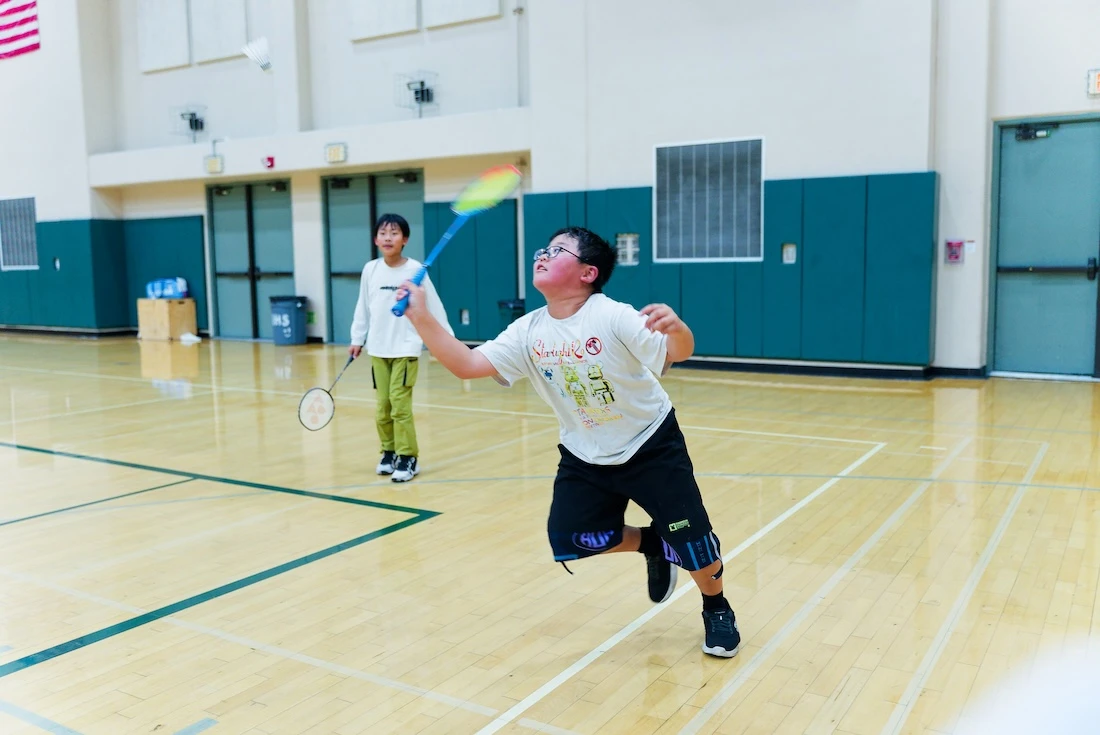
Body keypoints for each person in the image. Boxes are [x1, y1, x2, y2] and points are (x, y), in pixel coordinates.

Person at [396, 225, 740, 657]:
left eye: (557, 250)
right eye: (543, 248)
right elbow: (467, 364)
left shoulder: (611, 315)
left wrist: (677, 329)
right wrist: (421, 316)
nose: (542, 254)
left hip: (650, 444)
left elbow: (678, 352)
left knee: (692, 540)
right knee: (576, 536)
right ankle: (653, 544)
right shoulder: (528, 330)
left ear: (587, 273)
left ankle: (716, 606)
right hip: (584, 453)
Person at [350, 213, 452, 483]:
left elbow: (434, 306)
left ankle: (408, 457)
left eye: (394, 233)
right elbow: (363, 306)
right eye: (383, 233)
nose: (387, 237)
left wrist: (448, 342)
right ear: (375, 239)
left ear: (404, 239)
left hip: (405, 348)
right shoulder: (370, 269)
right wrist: (357, 338)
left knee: (400, 406)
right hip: (378, 349)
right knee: (382, 407)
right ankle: (389, 452)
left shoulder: (415, 270)